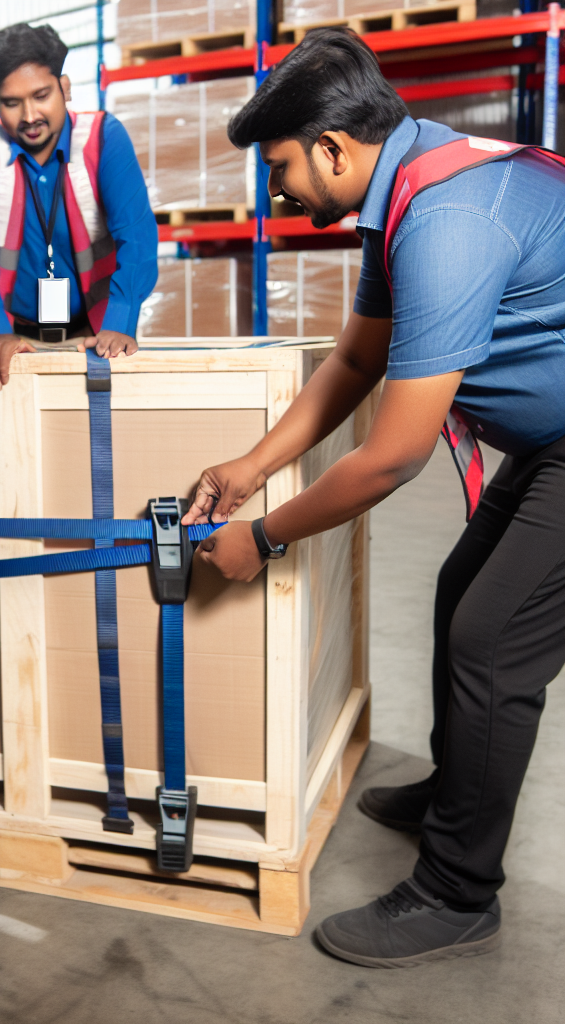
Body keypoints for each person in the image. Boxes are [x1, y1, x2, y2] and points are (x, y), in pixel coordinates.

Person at [181, 28, 565, 968]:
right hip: (552, 437)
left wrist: (259, 537)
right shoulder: (407, 189)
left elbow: (392, 458)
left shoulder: (446, 221)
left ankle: (457, 893)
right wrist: (249, 466)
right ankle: (455, 790)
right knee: (459, 592)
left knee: (493, 639)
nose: (276, 193)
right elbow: (357, 360)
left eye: (280, 169)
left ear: (332, 148)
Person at [0, 22, 158, 390]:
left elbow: (137, 236)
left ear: (65, 88)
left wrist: (120, 322)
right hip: (16, 340)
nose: (29, 116)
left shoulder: (104, 137)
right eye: (12, 103)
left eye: (41, 95)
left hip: (95, 334)